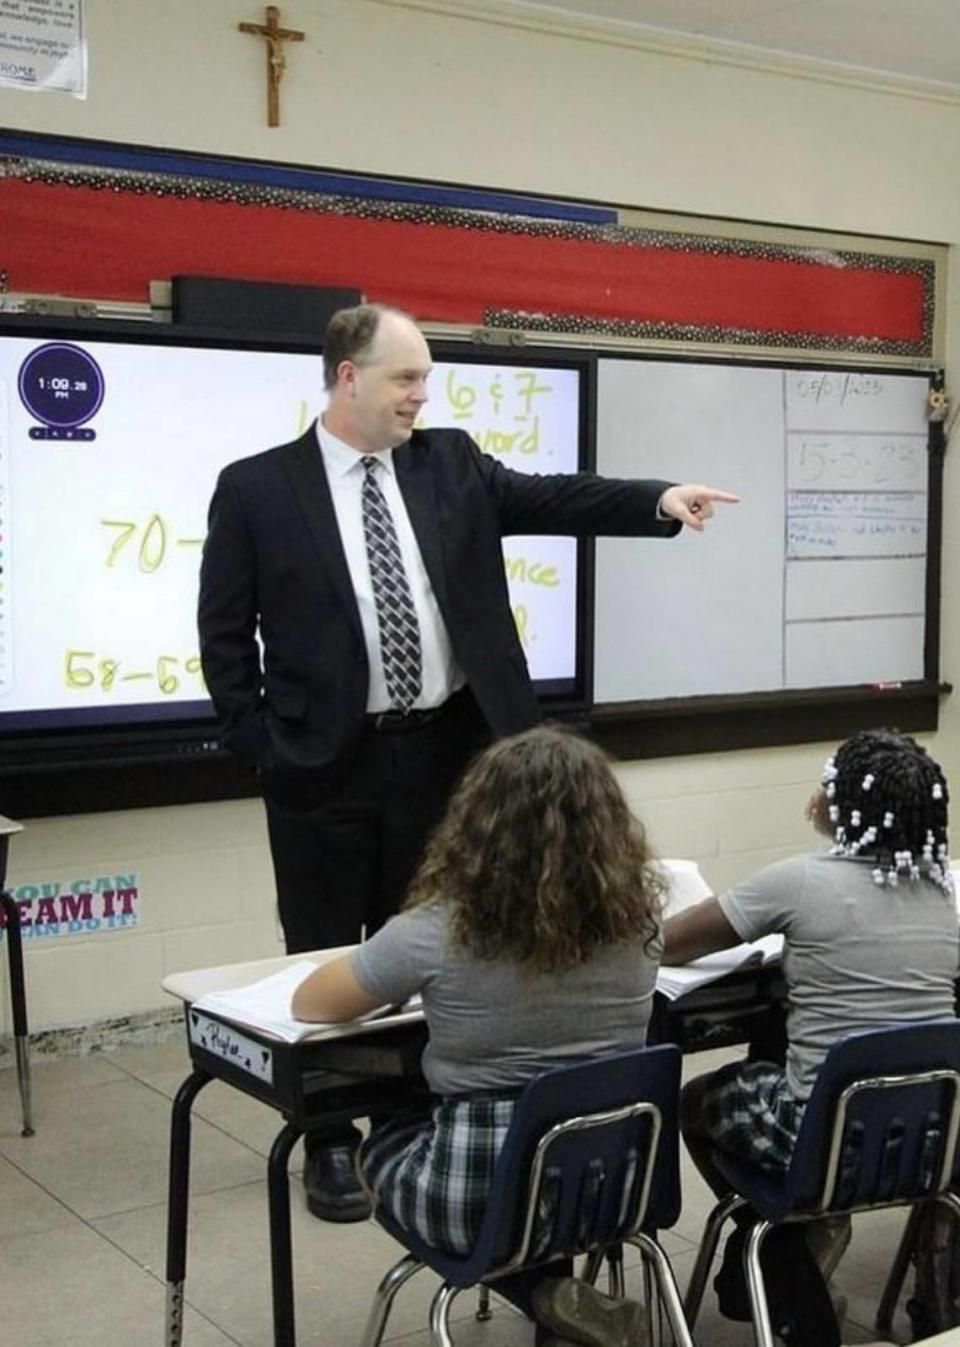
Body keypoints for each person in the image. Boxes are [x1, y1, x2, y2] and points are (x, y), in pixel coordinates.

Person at [198, 301, 737, 1221]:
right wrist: (265, 747)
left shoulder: (448, 463)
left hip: (451, 753)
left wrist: (655, 498)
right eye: (406, 377)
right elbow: (223, 633)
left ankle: (411, 1110)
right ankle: (330, 1136)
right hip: (321, 766)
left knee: (437, 942)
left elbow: (551, 497)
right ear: (348, 377)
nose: (422, 393)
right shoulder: (256, 489)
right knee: (326, 945)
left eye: (425, 378)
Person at [291, 724, 665, 1347]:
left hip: (474, 1201)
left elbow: (312, 1004)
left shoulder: (436, 931)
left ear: (477, 823)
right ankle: (555, 1300)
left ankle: (544, 1295)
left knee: (384, 1134)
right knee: (547, 1145)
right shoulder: (640, 924)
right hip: (612, 1184)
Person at [662, 728, 960, 1347]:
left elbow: (670, 942)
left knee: (699, 1102)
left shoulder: (796, 882)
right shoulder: (943, 897)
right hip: (932, 1145)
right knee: (782, 1060)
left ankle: (783, 1251)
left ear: (845, 802)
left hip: (822, 1142)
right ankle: (797, 1243)